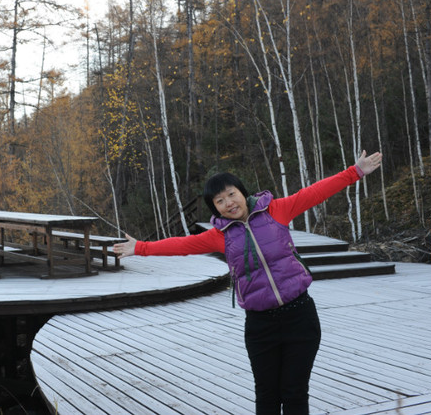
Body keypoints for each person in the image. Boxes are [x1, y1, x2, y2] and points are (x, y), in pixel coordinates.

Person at [113, 150, 383, 415]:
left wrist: (355, 172)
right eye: (220, 200)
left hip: (300, 316)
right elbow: (181, 245)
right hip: (260, 324)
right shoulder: (220, 235)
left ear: (243, 192)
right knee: (266, 395)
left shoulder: (276, 210)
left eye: (232, 194)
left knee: (295, 391)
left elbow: (314, 193)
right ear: (214, 208)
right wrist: (140, 248)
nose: (229, 202)